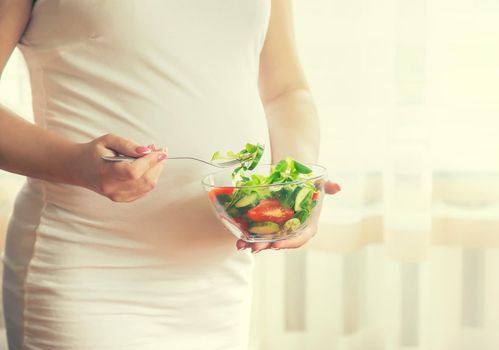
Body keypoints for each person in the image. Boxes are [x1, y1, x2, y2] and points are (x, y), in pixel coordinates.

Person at [0, 0, 340, 348]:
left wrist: (297, 178)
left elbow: (285, 90)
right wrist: (76, 164)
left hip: (219, 284)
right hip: (88, 270)